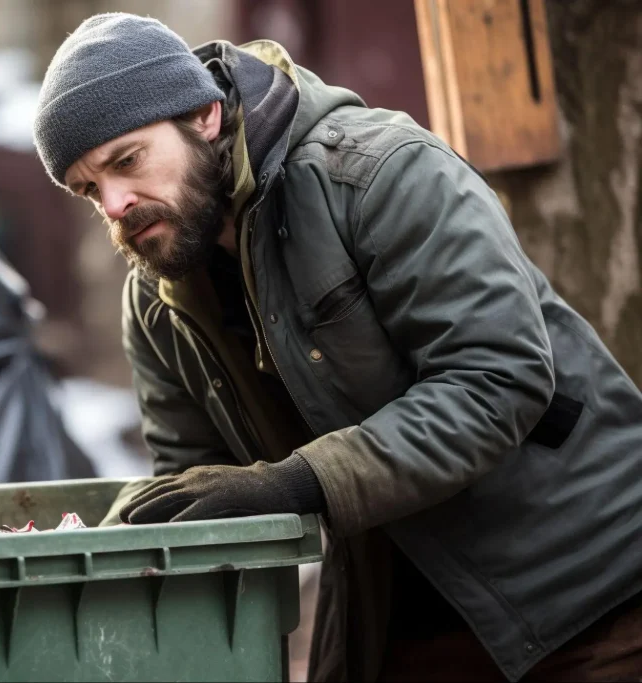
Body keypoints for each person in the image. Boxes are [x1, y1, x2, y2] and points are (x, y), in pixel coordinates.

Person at [32, 12, 642, 682]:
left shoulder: (379, 174)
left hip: (588, 583)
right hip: (395, 598)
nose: (115, 203)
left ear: (204, 115)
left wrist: (296, 482)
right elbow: (197, 487)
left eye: (127, 161)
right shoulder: (156, 299)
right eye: (89, 188)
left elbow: (497, 380)